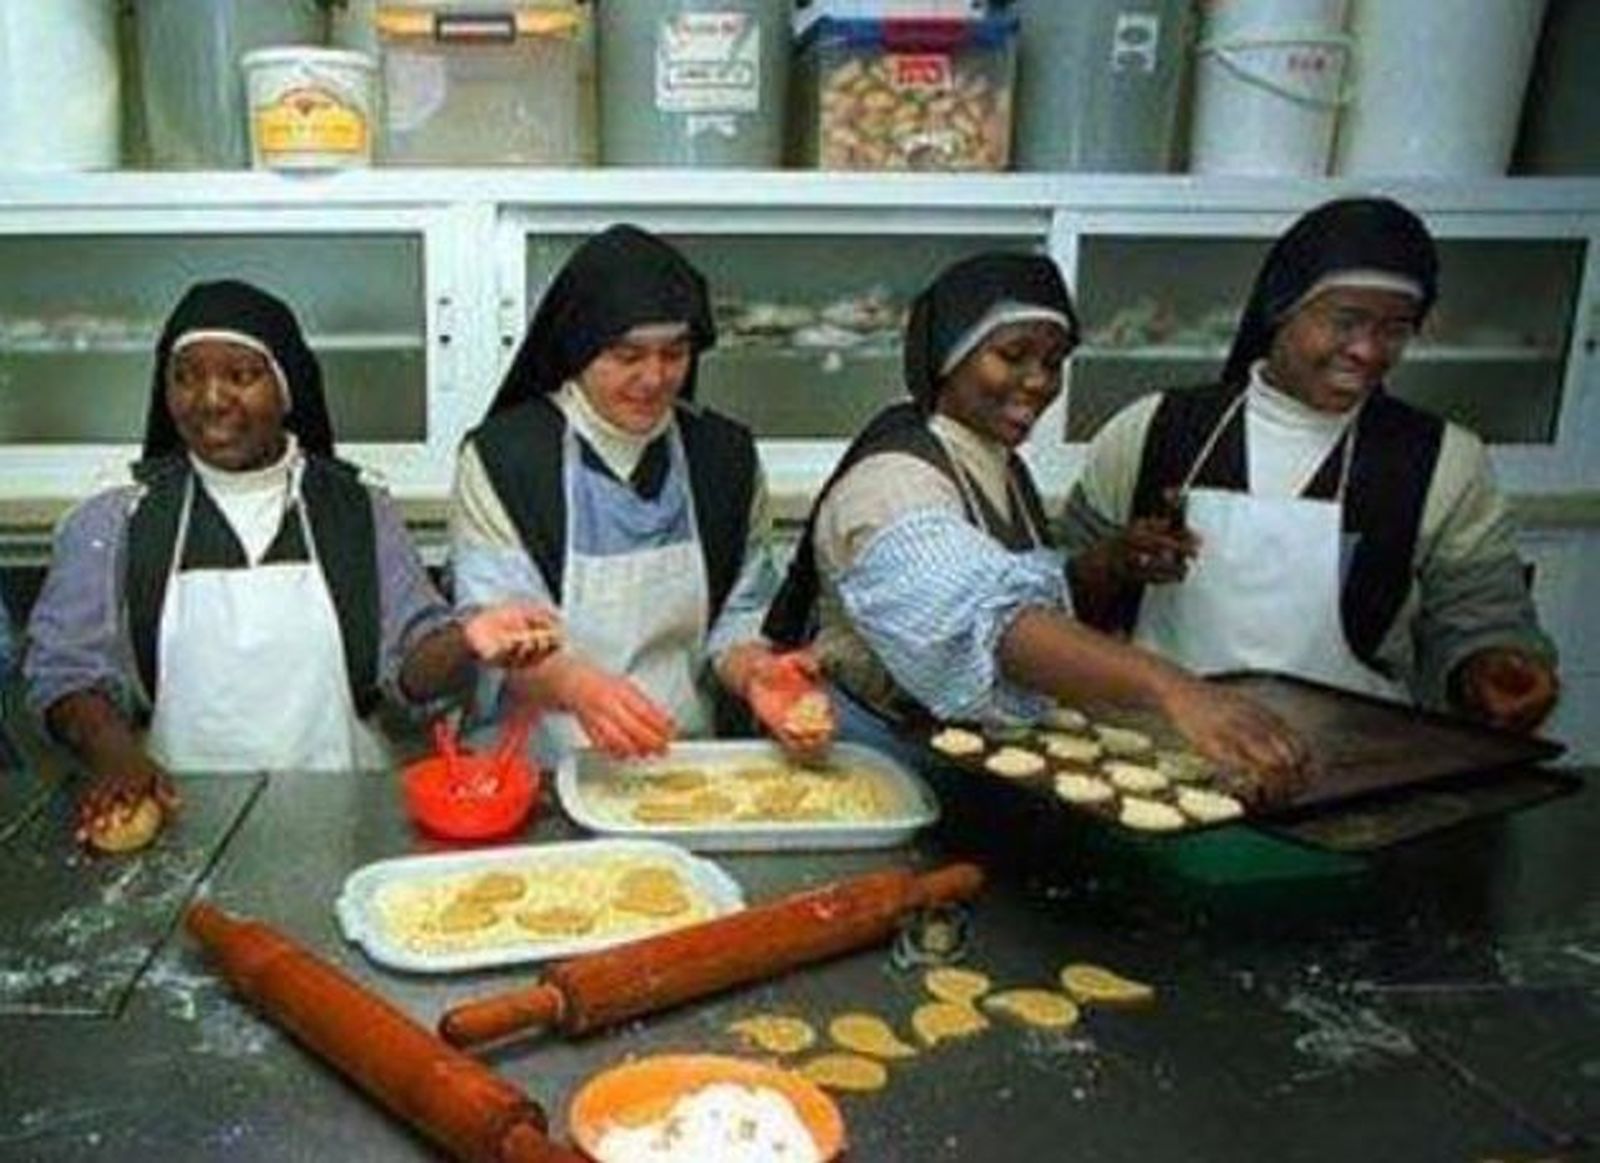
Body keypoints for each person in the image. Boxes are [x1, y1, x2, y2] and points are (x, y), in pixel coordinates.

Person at [765, 251, 1307, 800]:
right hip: (878, 772)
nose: (1039, 382)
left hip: (958, 768)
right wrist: (1173, 690)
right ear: (947, 356)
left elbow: (1018, 589)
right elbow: (984, 616)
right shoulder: (891, 481)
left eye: (1053, 362)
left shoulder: (999, 463)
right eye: (1012, 355)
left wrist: (1106, 567)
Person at [25, 280, 556, 839]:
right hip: (177, 818)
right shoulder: (115, 517)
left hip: (345, 818)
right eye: (186, 376)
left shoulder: (356, 509)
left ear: (285, 388)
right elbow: (63, 672)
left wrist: (469, 638)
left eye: (240, 375)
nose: (209, 399)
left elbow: (409, 672)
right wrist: (115, 755)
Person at [1058, 197, 1558, 731]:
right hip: (1157, 753)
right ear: (1282, 307)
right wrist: (1111, 565)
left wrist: (1485, 668)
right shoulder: (1150, 428)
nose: (1367, 350)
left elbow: (1481, 617)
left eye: (1395, 329)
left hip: (1352, 766)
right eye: (1346, 321)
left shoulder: (1446, 461)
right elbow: (1053, 598)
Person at [450, 224, 833, 764]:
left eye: (674, 354)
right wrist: (578, 686)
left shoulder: (724, 458)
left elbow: (738, 619)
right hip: (535, 764)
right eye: (627, 356)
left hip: (682, 758)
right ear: (577, 350)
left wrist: (756, 675)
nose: (654, 379)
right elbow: (499, 635)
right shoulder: (507, 458)